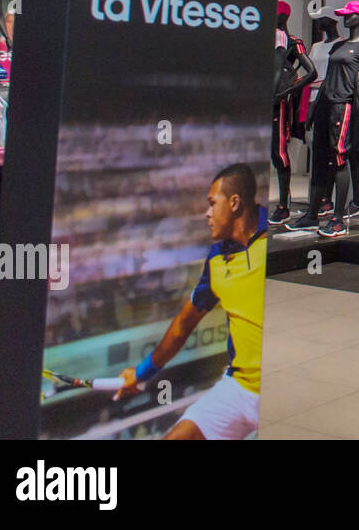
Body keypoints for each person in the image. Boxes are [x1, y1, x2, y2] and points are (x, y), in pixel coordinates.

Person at [114, 164, 266, 439]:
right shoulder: (216, 258)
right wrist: (142, 373)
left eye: (212, 203)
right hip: (238, 388)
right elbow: (183, 324)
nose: (206, 213)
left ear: (234, 203)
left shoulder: (272, 240)